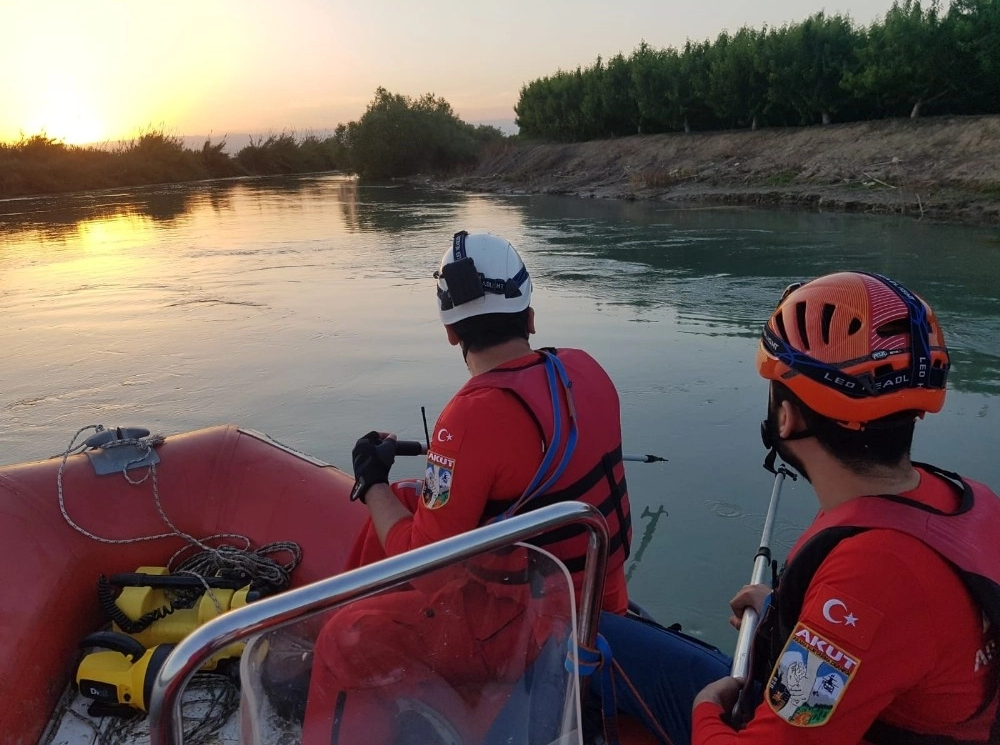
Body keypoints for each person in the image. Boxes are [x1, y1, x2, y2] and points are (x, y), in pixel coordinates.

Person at [597, 271, 1000, 745]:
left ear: (787, 419)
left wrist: (705, 711)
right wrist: (784, 611)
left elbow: (878, 604)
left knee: (592, 639)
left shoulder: (872, 574)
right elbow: (907, 635)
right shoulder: (968, 500)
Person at [301, 230, 634, 743]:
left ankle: (374, 667)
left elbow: (428, 568)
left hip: (531, 631)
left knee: (341, 640)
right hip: (598, 597)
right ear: (529, 317)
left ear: (452, 333)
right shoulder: (587, 370)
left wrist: (371, 484)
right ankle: (375, 630)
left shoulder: (470, 417)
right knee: (412, 498)